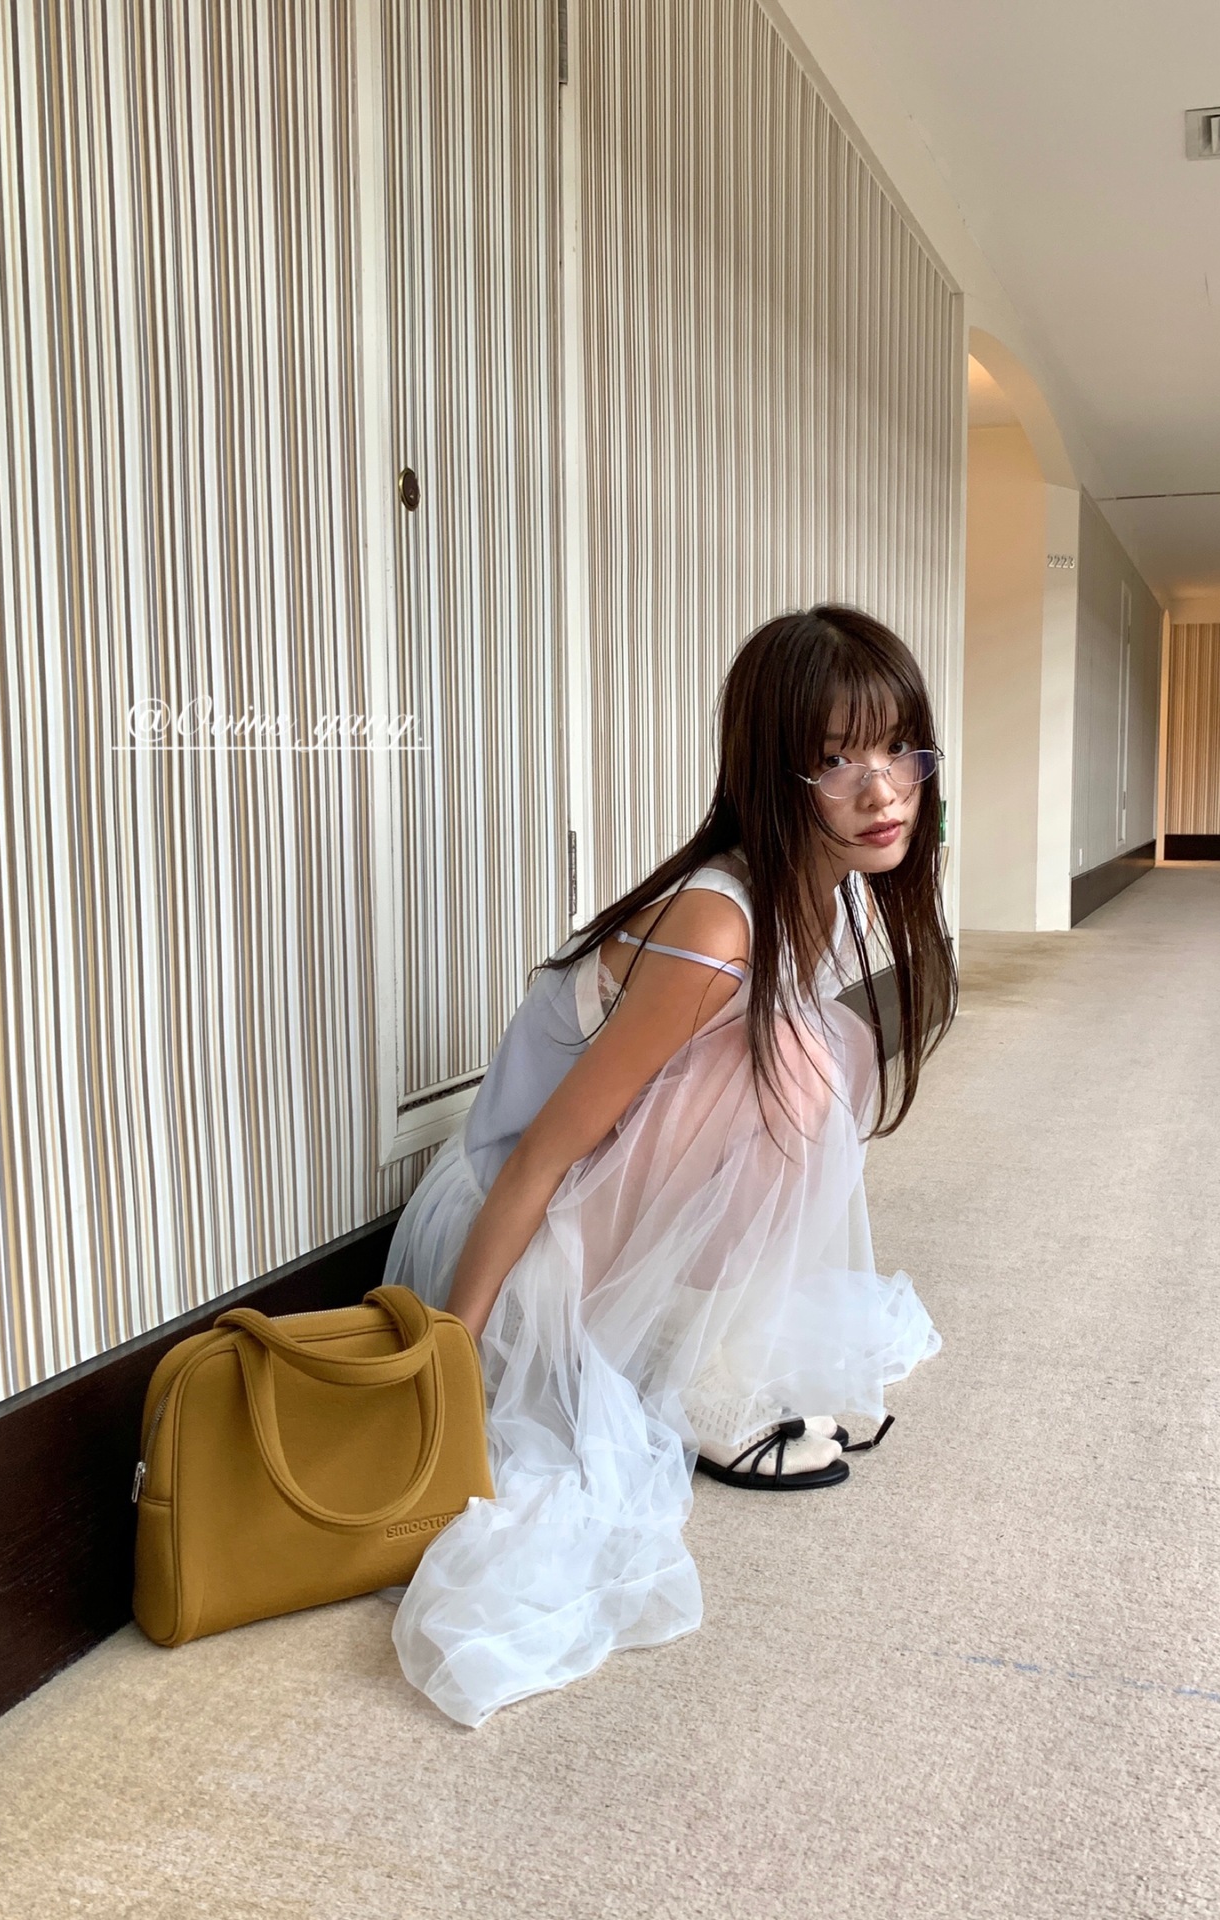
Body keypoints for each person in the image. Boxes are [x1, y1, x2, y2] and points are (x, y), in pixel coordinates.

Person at [382, 604, 957, 1726]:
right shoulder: (716, 924)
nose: (882, 790)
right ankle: (690, 1380)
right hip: (520, 1223)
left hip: (598, 1202)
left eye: (897, 748)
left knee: (814, 1050)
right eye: (836, 760)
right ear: (771, 775)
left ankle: (693, 1354)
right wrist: (450, 1359)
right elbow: (545, 1153)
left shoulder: (823, 889)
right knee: (793, 1064)